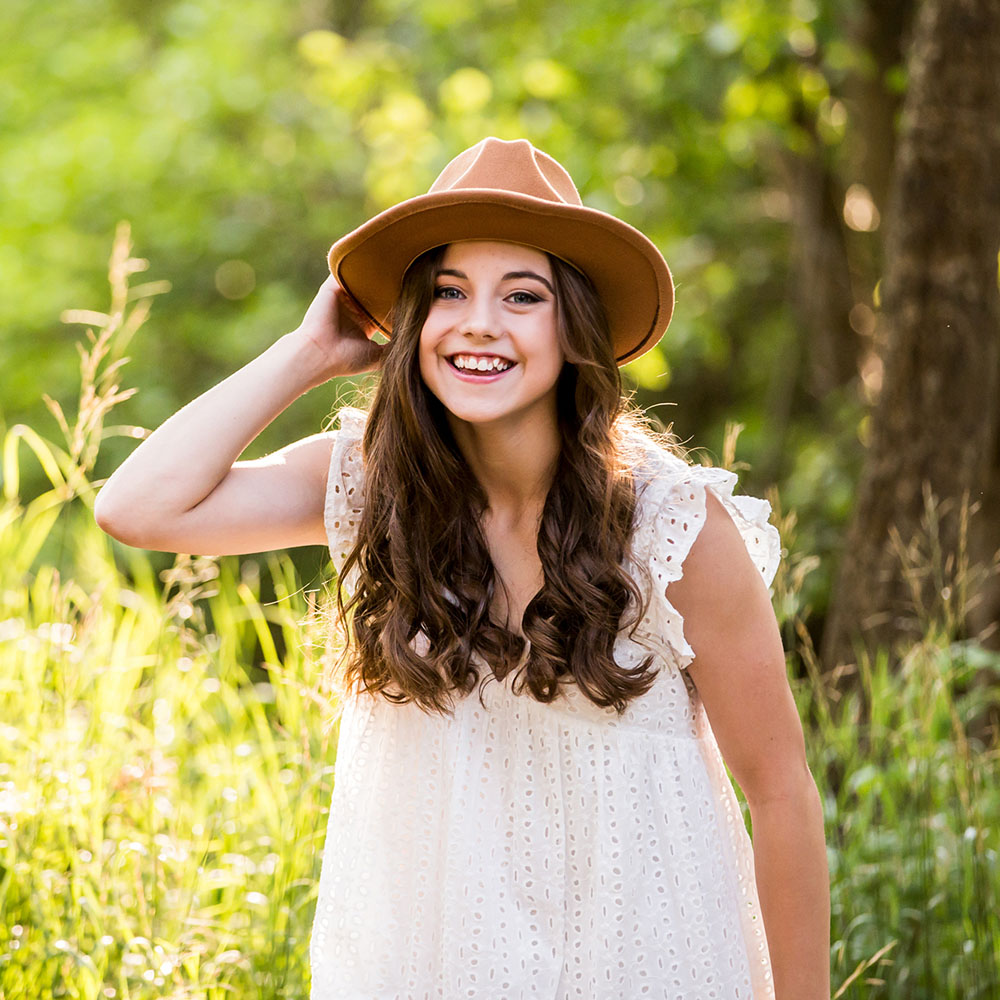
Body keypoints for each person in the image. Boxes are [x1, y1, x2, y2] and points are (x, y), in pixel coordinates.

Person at [95, 137, 830, 999]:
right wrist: (308, 354)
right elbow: (137, 509)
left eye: (523, 296)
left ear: (575, 328)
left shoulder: (671, 531)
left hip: (641, 959)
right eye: (448, 293)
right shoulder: (375, 491)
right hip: (435, 962)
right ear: (412, 324)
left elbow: (780, 794)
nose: (479, 321)